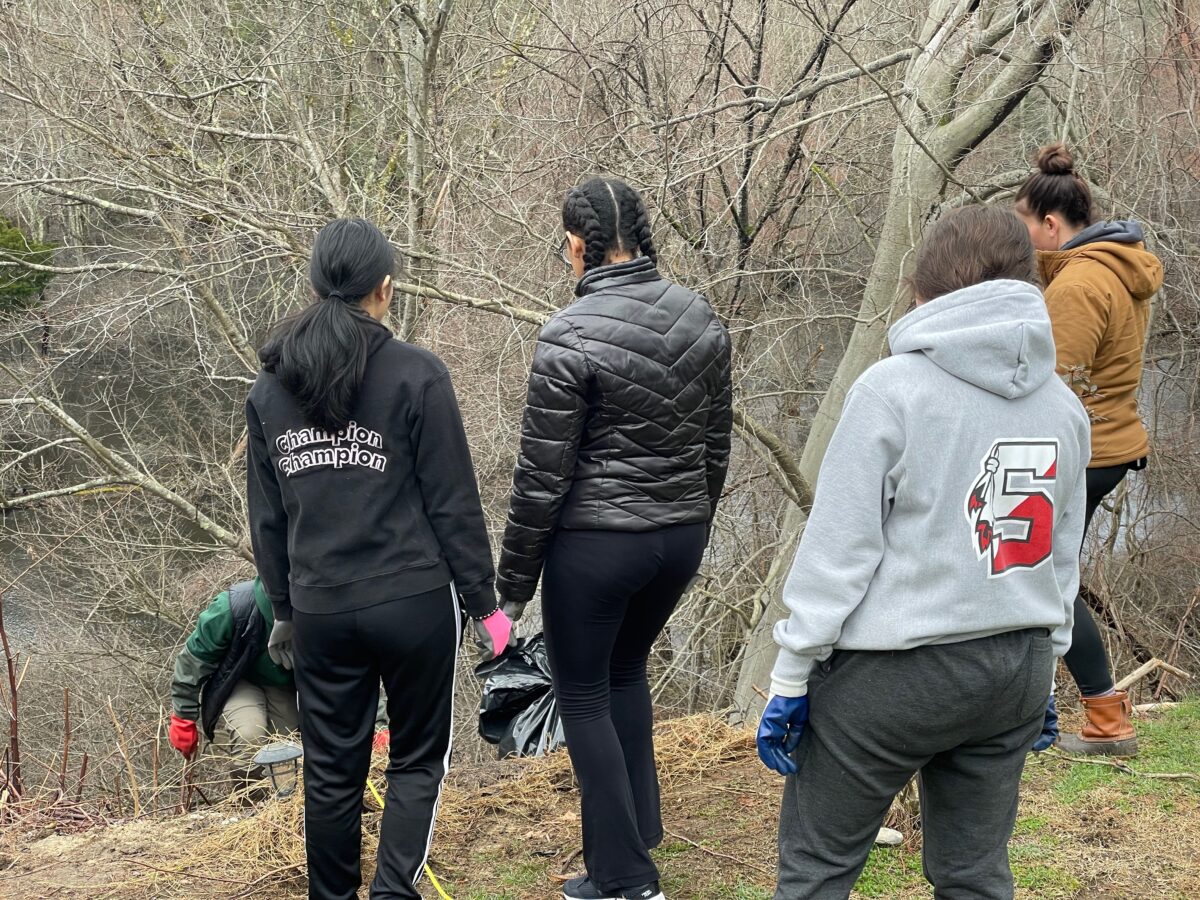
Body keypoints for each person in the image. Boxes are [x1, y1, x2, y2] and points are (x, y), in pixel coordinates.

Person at [757, 206, 1090, 900]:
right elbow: (1060, 554)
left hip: (897, 678)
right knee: (974, 874)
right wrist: (1051, 653)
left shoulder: (894, 389)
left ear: (924, 289)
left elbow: (838, 551)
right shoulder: (1063, 407)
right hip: (1015, 672)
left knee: (817, 869)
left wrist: (792, 675)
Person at [246, 218, 512, 900]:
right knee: (419, 758)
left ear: (315, 285)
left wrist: (281, 609)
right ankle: (395, 891)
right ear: (384, 290)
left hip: (321, 608)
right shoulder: (417, 375)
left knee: (332, 768)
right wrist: (485, 605)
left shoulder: (270, 390)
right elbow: (452, 500)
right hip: (413, 603)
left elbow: (268, 516)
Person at [497, 177, 733, 900]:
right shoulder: (700, 315)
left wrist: (508, 592)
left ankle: (627, 880)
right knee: (625, 670)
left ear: (577, 244)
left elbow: (541, 479)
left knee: (583, 694)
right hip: (680, 537)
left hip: (599, 545)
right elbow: (714, 448)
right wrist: (691, 520)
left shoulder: (569, 334)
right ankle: (637, 835)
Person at [1014, 144, 1162, 756]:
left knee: (1047, 576)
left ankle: (1103, 720)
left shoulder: (1078, 284)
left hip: (1086, 450)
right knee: (1050, 571)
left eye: (1023, 227)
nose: (1020, 241)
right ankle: (1082, 711)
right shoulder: (1115, 269)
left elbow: (1052, 383)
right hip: (1113, 440)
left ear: (1050, 225)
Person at [168, 576, 297, 769]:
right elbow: (193, 661)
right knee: (249, 735)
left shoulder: (324, 612)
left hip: (286, 685)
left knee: (286, 749)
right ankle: (249, 798)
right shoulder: (234, 607)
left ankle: (282, 796)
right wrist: (183, 717)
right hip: (239, 679)